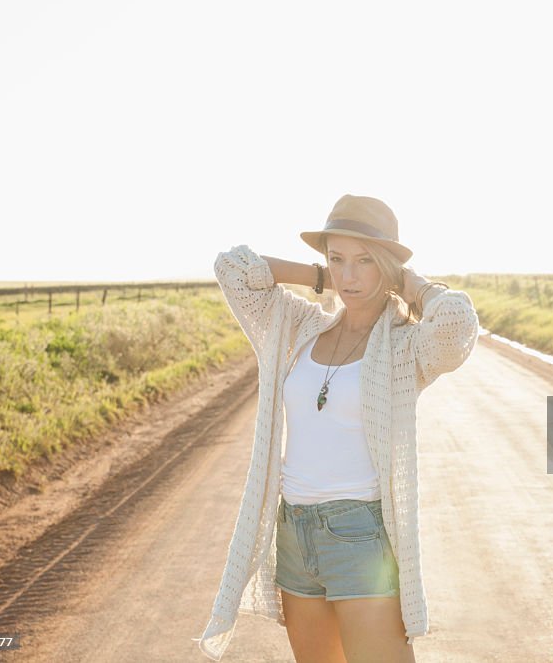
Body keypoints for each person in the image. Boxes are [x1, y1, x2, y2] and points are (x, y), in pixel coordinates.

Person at [194, 194, 480, 662]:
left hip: (359, 536)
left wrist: (412, 286)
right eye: (338, 259)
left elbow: (457, 325)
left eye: (365, 261)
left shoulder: (404, 347)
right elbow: (233, 268)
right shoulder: (303, 324)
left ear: (387, 265)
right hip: (295, 534)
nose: (350, 276)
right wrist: (319, 278)